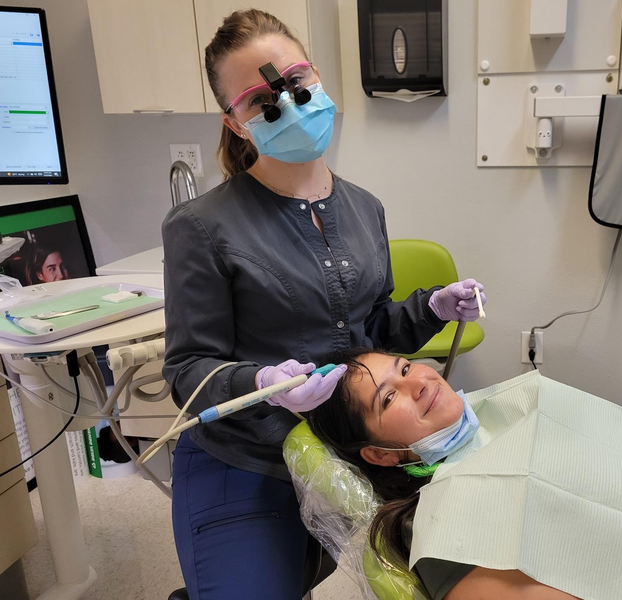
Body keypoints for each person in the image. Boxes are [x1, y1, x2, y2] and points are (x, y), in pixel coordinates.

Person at [161, 9, 486, 600]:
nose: (287, 104)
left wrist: (431, 309)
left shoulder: (365, 208)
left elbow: (370, 331)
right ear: (236, 124)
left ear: (316, 77)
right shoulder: (199, 227)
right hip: (247, 459)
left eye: (295, 81)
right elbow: (187, 372)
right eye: (261, 101)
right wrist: (261, 380)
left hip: (344, 451)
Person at [308, 349, 622, 600]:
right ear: (378, 455)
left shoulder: (510, 418)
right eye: (388, 397)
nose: (417, 381)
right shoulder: (449, 540)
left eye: (403, 366)